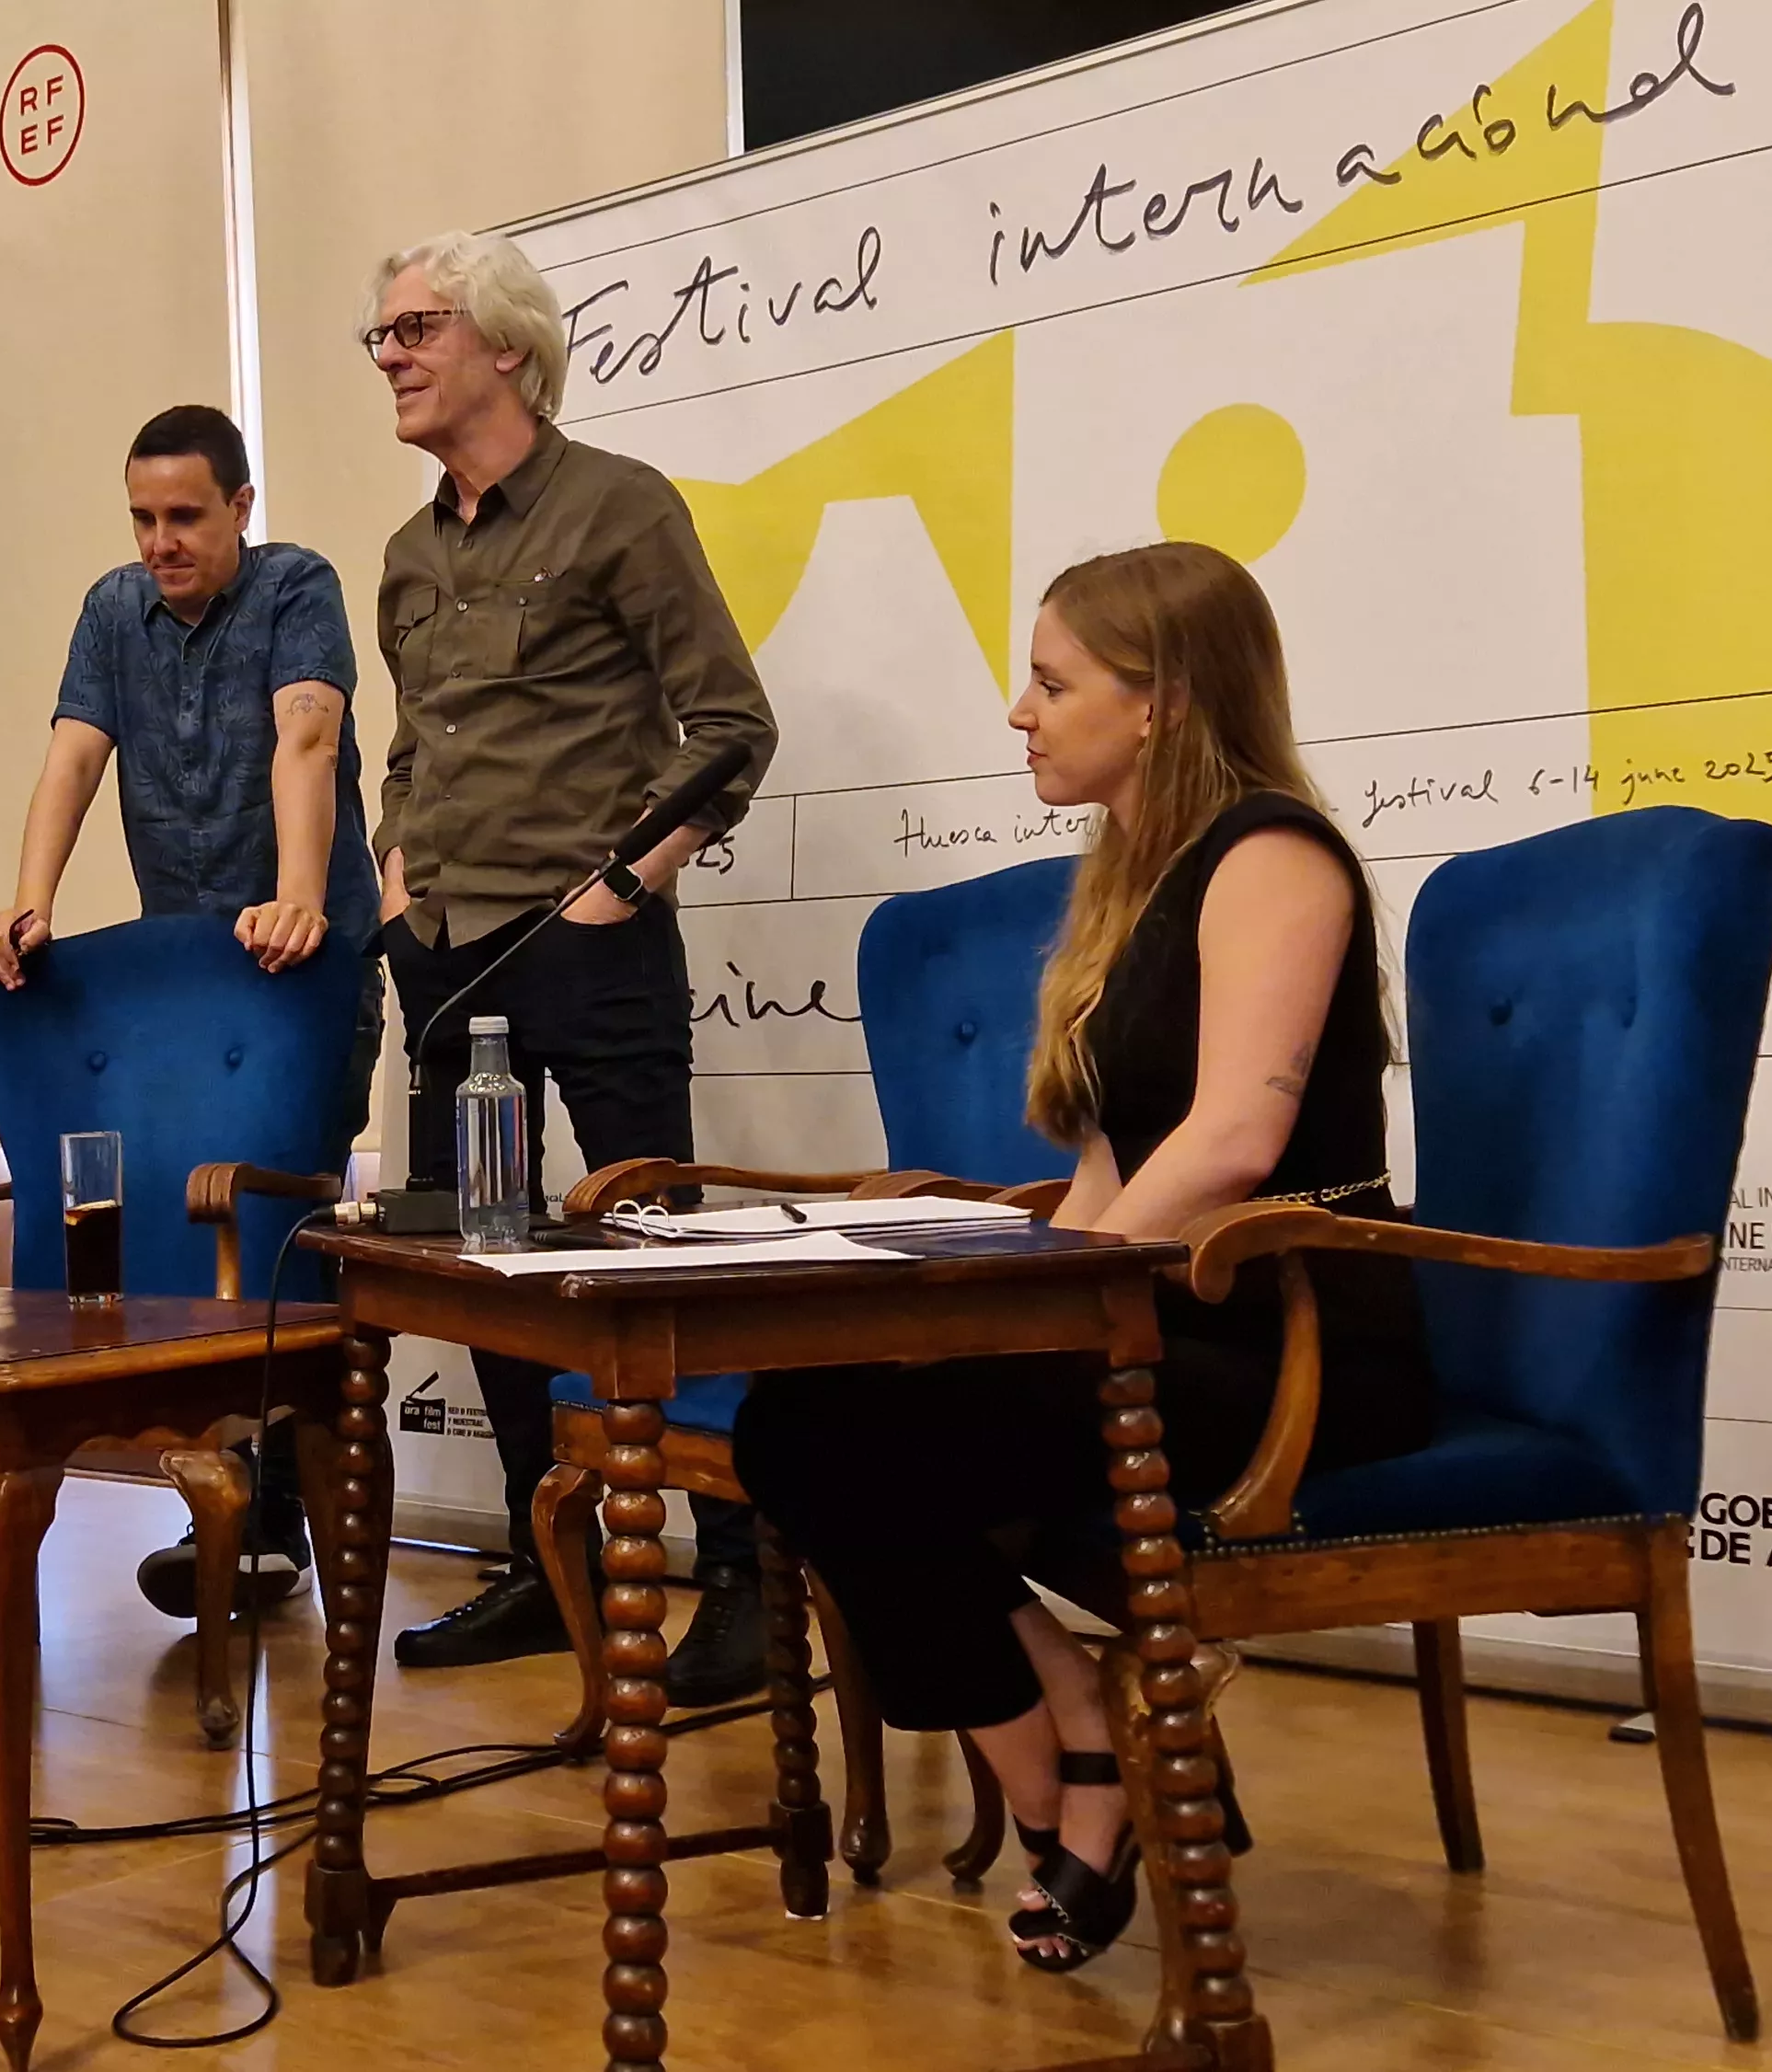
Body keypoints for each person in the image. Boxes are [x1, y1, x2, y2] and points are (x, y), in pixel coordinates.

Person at [731, 544, 1436, 1973]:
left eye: (1053, 683)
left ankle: (1071, 1779)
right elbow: (1118, 1158)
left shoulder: (1274, 852)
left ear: (1163, 699)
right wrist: (1001, 1293)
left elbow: (1235, 1138)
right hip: (1163, 1309)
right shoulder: (1141, 873)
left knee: (845, 1434)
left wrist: (1045, 1307)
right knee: (801, 1420)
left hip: (1286, 1337)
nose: (1021, 711)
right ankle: (1069, 1735)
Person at [361, 230, 781, 1702]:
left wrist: (629, 883)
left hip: (589, 941)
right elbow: (414, 742)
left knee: (655, 1244)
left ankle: (734, 1578)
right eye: (384, 335)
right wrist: (396, 864)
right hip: (446, 952)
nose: (393, 355)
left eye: (416, 328)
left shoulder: (621, 507)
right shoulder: (410, 557)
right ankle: (553, 1572)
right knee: (489, 1262)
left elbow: (729, 727)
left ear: (505, 347)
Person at [0, 401, 377, 1621]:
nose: (162, 541)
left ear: (242, 510)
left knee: (280, 1227)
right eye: (144, 518)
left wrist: (298, 901)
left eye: (187, 516)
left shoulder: (297, 586)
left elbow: (305, 739)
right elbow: (74, 756)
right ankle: (241, 1508)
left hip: (301, 965)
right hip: (186, 980)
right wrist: (28, 905)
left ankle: (294, 1514)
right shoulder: (112, 610)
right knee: (191, 1226)